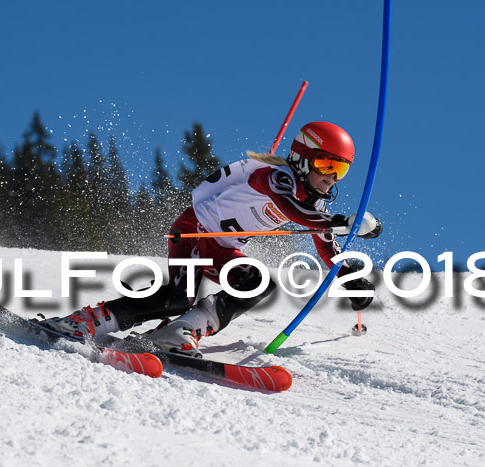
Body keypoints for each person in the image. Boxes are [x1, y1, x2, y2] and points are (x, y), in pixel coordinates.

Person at [41, 121, 382, 357]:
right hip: (194, 230)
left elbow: (326, 245)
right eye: (325, 163)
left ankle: (178, 332)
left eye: (340, 169)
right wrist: (339, 221)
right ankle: (84, 321)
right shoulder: (274, 177)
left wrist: (349, 277)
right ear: (301, 156)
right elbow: (291, 210)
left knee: (258, 283)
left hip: (223, 249)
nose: (330, 176)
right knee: (177, 296)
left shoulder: (316, 204)